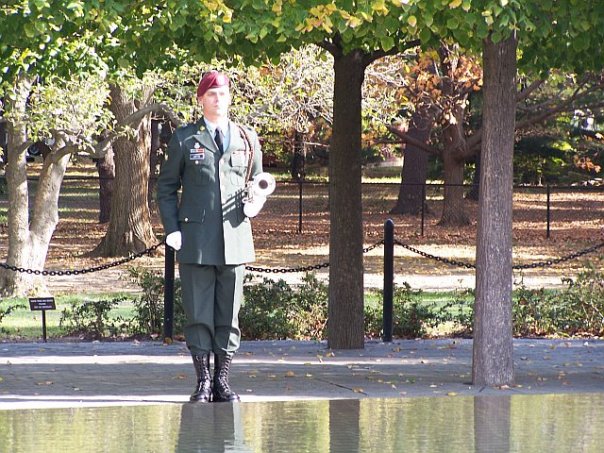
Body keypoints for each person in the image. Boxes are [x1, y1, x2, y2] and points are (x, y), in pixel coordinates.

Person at [156, 70, 263, 403]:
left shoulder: (247, 138)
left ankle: (223, 381)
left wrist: (256, 203)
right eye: (212, 94)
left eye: (223, 93)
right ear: (201, 100)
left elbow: (258, 181)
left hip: (234, 237)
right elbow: (166, 188)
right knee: (198, 313)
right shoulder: (186, 139)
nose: (219, 99)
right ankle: (203, 381)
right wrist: (172, 228)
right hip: (197, 241)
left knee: (228, 315)